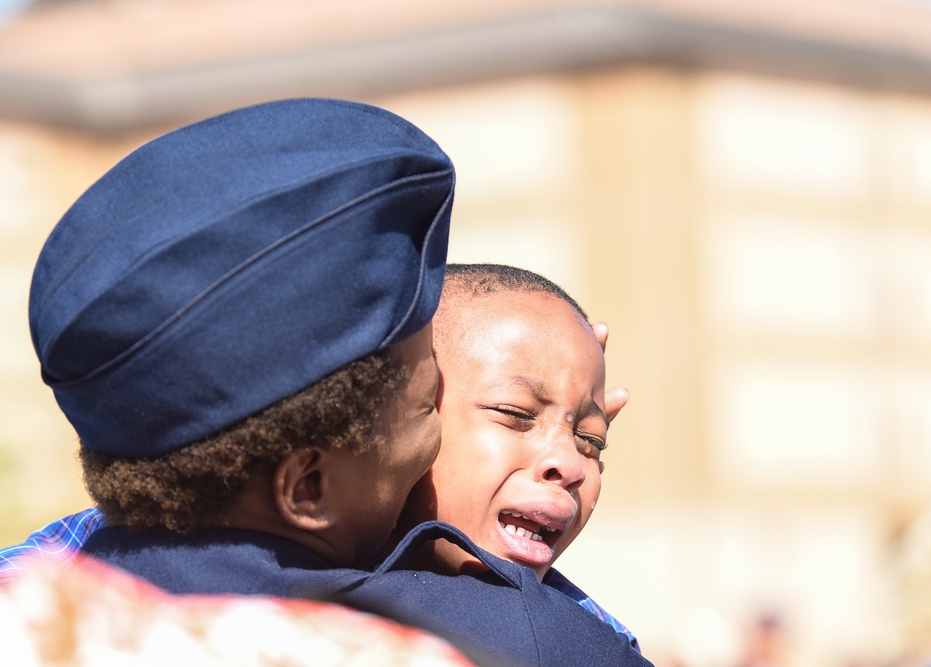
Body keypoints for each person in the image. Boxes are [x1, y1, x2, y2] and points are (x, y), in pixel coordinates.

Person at [5, 98, 650, 666]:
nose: (565, 459)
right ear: (308, 487)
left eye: (588, 440)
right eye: (430, 408)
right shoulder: (480, 639)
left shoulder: (36, 604)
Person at [396, 263, 640, 649]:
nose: (571, 465)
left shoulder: (587, 644)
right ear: (398, 423)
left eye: (590, 440)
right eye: (515, 415)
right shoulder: (305, 615)